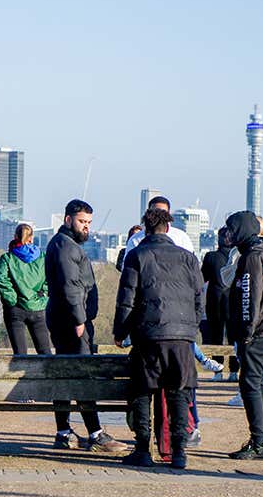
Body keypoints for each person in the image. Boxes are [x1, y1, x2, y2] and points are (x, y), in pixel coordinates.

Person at [113, 206, 203, 469]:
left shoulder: (137, 255)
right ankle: (178, 452)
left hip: (149, 334)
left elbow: (126, 300)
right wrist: (191, 327)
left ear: (146, 228)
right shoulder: (188, 258)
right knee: (178, 392)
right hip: (182, 336)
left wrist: (121, 332)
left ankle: (142, 449)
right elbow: (199, 298)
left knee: (142, 391)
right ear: (168, 227)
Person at [45, 200, 125, 453]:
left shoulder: (65, 245)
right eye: (82, 222)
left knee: (67, 375)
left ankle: (64, 431)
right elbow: (71, 286)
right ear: (68, 219)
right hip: (71, 322)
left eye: (89, 223)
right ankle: (95, 433)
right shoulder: (64, 246)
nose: (86, 227)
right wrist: (79, 320)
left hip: (67, 319)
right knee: (82, 376)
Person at [225, 210, 263, 459]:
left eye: (231, 229)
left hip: (258, 330)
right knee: (259, 382)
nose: (228, 234)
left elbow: (250, 296)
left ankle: (258, 442)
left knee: (250, 383)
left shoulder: (252, 257)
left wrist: (247, 331)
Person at [0, 223, 51, 356]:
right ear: (32, 238)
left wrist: (11, 298)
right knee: (45, 352)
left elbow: (0, 279)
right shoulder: (43, 258)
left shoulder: (7, 258)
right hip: (38, 308)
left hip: (15, 309)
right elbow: (51, 277)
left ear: (15, 237)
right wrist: (43, 295)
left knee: (20, 354)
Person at [200, 227, 239, 380]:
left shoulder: (211, 257)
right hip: (233, 299)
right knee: (233, 337)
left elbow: (203, 277)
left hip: (214, 299)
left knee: (216, 336)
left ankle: (218, 370)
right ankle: (234, 371)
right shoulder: (237, 256)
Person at [122, 196, 194, 254]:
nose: (159, 215)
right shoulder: (136, 239)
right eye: (155, 212)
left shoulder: (182, 238)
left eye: (163, 212)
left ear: (168, 214)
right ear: (148, 213)